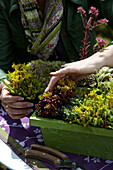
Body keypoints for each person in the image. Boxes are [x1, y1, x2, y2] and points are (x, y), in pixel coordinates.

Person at [0, 0, 113, 119]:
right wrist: (5, 88)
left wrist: (98, 59)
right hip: (31, 107)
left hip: (85, 98)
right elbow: (2, 64)